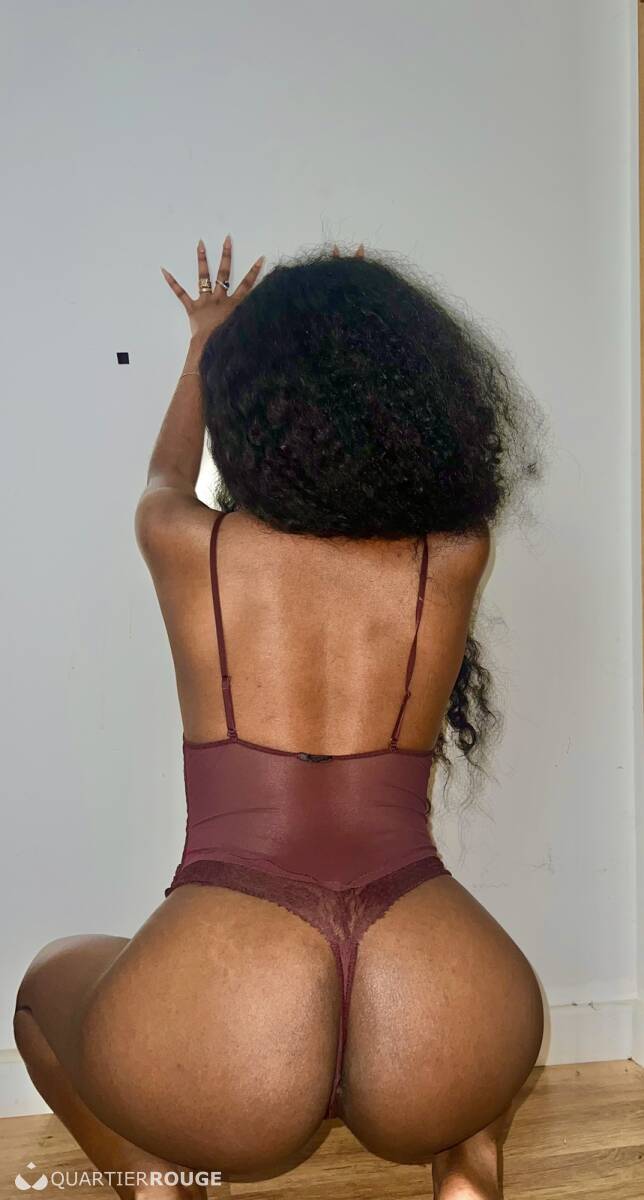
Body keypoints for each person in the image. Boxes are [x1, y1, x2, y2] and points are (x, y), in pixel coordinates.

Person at [14, 235, 547, 1200]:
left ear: (252, 414)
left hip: (228, 1015)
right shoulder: (457, 552)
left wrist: (202, 344)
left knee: (44, 986)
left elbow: (165, 477)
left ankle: (163, 1186)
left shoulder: (183, 542)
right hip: (441, 997)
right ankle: (466, 1171)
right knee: (471, 1087)